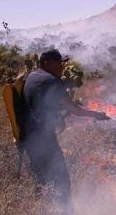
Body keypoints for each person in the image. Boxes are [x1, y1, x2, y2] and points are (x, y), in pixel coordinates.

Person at [23, 49, 110, 205]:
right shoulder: (52, 81)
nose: (62, 67)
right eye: (59, 63)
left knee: (42, 178)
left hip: (28, 136)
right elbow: (75, 110)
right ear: (47, 63)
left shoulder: (32, 76)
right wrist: (97, 115)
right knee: (61, 179)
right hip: (44, 138)